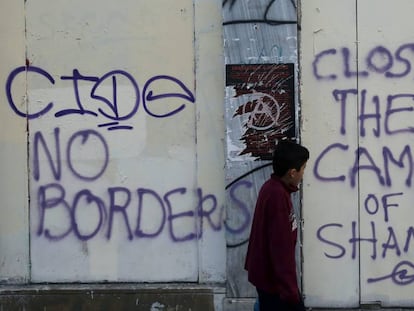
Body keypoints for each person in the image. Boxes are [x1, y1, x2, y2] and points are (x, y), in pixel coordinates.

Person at [245, 140, 309, 311]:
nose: (304, 173)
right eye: (303, 168)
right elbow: (280, 250)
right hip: (275, 285)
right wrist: (290, 292)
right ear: (292, 173)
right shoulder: (277, 197)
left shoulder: (273, 188)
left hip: (270, 281)